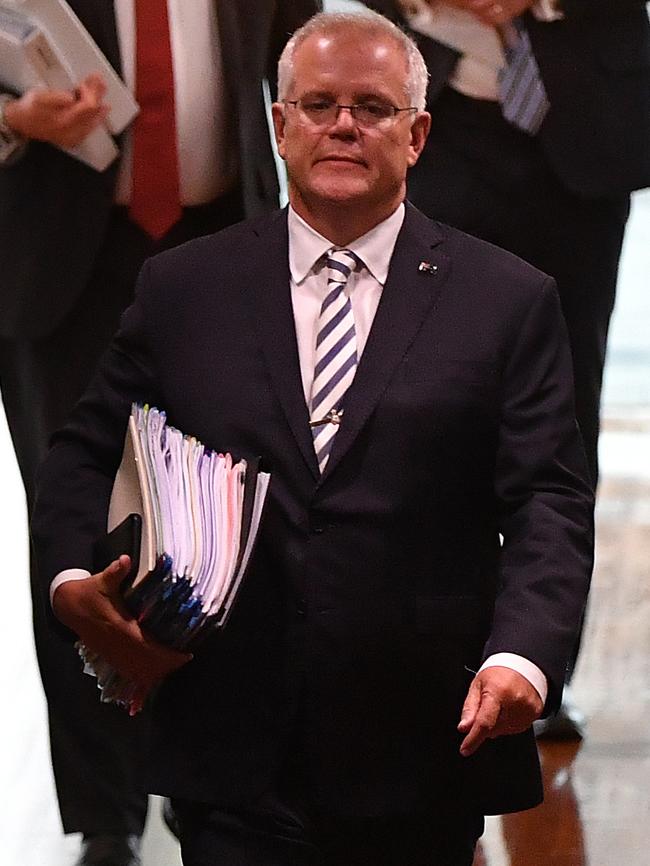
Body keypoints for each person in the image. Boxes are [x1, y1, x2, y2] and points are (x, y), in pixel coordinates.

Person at [31, 11, 594, 866]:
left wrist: (523, 654)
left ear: (419, 135)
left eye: (373, 107)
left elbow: (548, 499)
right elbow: (82, 449)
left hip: (427, 742)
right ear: (278, 124)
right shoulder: (185, 288)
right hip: (228, 741)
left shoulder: (507, 300)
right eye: (318, 103)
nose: (342, 124)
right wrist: (76, 579)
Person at [0, 2, 317, 864]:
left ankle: (214, 783)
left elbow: (307, 56)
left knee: (226, 529)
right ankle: (107, 814)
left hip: (225, 246)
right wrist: (8, 118)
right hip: (62, 262)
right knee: (74, 534)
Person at [362, 0, 650, 738]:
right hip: (435, 123)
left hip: (580, 133)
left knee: (564, 413)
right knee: (426, 407)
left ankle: (538, 670)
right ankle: (435, 664)